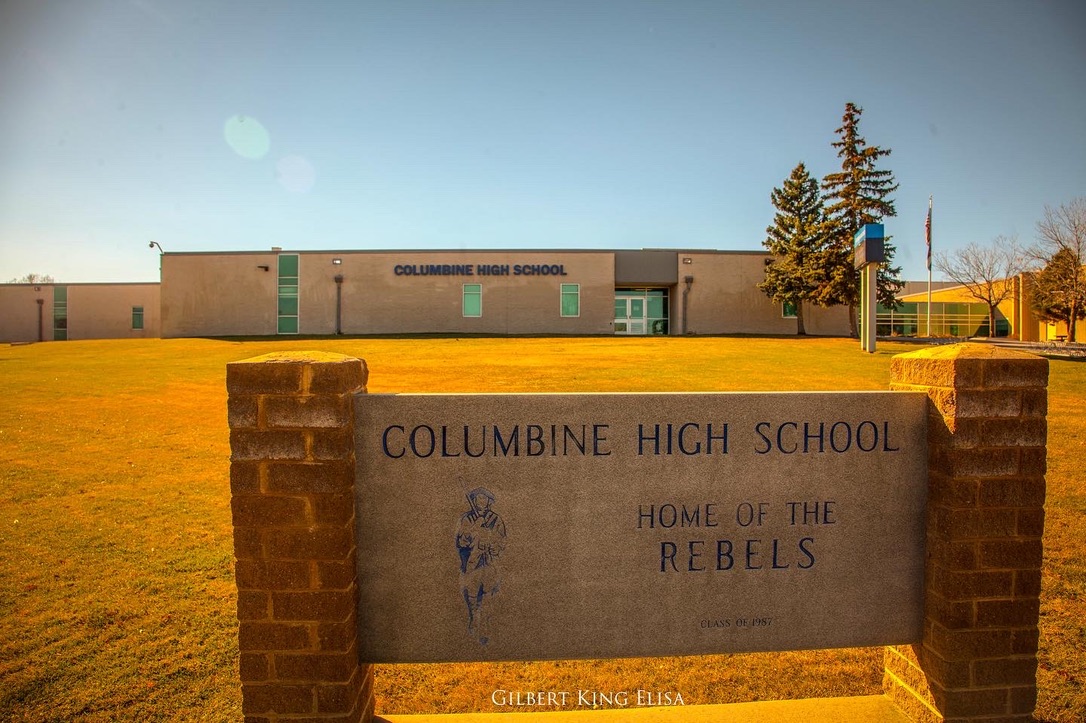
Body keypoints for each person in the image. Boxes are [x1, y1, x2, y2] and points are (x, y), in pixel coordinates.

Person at [455, 487, 506, 645]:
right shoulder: (467, 519)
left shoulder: (495, 519)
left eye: (484, 499)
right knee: (472, 596)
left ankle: (487, 627)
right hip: (472, 564)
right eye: (477, 499)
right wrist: (475, 528)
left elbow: (502, 540)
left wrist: (493, 545)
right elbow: (461, 542)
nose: (480, 502)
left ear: (489, 501)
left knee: (489, 595)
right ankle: (473, 623)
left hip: (490, 562)